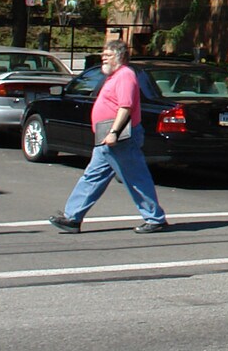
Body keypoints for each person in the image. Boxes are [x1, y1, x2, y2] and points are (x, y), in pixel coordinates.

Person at [49, 38, 168, 235]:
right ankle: (72, 218)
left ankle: (155, 218)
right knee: (93, 176)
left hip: (121, 136)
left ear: (119, 56)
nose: (103, 58)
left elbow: (125, 106)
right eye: (103, 55)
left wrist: (114, 132)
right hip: (107, 135)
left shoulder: (125, 75)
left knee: (135, 177)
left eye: (107, 55)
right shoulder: (114, 76)